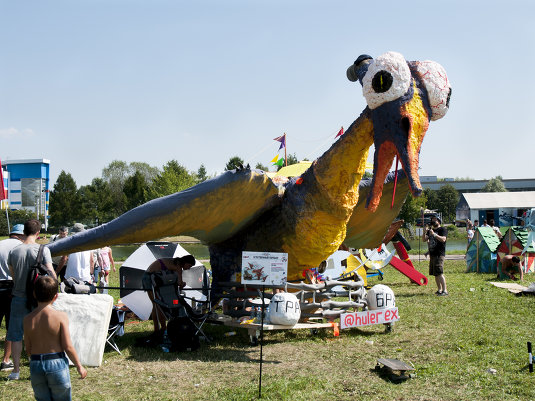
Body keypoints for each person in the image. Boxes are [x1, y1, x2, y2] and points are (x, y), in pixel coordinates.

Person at [6, 219, 56, 380]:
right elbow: (50, 271)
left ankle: (15, 371)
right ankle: (39, 368)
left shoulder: (14, 251)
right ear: (37, 233)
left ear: (23, 232)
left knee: (15, 335)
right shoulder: (43, 250)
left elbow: (13, 275)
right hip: (38, 299)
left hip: (18, 296)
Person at [24, 276, 87, 399]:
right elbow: (67, 346)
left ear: (34, 294)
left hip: (36, 364)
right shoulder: (60, 317)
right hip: (56, 363)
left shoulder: (27, 319)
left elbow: (28, 348)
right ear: (56, 296)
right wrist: (79, 365)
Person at [141, 255, 195, 341]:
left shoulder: (175, 262)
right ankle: (163, 328)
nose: (189, 268)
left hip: (148, 276)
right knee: (158, 304)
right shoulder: (178, 267)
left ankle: (157, 329)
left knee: (155, 305)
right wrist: (183, 284)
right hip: (149, 278)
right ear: (185, 262)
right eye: (189, 266)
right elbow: (179, 284)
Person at [0, 224, 25, 372]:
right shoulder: (20, 247)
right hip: (11, 288)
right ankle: (6, 360)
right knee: (11, 326)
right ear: (21, 235)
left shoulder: (1, 243)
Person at [423, 216, 448, 296]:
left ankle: (445, 290)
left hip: (439, 254)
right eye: (432, 220)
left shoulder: (442, 229)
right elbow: (424, 239)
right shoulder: (431, 230)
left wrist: (434, 234)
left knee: (440, 272)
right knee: (435, 273)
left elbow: (443, 239)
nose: (433, 221)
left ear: (439, 221)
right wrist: (424, 232)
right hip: (432, 254)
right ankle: (439, 290)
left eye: (435, 220)